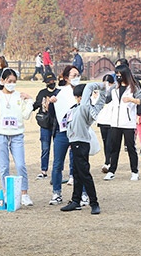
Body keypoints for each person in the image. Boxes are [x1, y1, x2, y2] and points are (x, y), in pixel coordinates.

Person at [0, 68, 35, 206]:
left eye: (14, 81)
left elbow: (25, 115)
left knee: (20, 164)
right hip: (1, 134)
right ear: (2, 81)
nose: (12, 84)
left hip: (17, 135)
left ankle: (24, 193)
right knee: (4, 166)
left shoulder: (19, 96)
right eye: (9, 81)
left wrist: (29, 101)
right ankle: (7, 193)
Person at [60, 82, 106, 215]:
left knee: (84, 173)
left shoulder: (86, 108)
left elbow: (92, 91)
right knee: (76, 173)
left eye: (80, 96)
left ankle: (94, 202)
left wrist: (101, 87)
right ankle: (76, 200)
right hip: (74, 142)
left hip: (81, 142)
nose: (78, 99)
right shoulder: (75, 108)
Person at [104, 64, 141, 181]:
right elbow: (106, 99)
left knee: (130, 148)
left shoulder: (133, 88)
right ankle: (111, 170)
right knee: (114, 148)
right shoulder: (114, 88)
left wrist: (132, 100)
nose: (118, 77)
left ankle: (134, 171)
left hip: (128, 123)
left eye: (120, 75)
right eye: (116, 75)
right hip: (115, 123)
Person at [49, 65, 80, 205]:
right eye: (73, 75)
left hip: (78, 132)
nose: (76, 78)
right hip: (62, 132)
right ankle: (56, 193)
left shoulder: (83, 91)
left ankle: (82, 193)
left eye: (78, 75)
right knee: (57, 164)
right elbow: (52, 113)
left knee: (80, 163)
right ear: (66, 78)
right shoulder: (60, 92)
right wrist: (51, 103)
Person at [33, 71, 60, 179]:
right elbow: (35, 105)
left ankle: (57, 170)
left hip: (57, 124)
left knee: (58, 149)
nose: (51, 83)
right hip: (45, 124)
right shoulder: (42, 93)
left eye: (53, 81)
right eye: (49, 81)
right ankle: (44, 170)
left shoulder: (59, 92)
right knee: (45, 148)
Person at [98, 74, 114, 173]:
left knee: (110, 143)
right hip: (102, 120)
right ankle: (107, 160)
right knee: (105, 142)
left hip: (111, 121)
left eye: (108, 82)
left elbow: (108, 100)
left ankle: (109, 162)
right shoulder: (99, 91)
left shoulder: (114, 91)